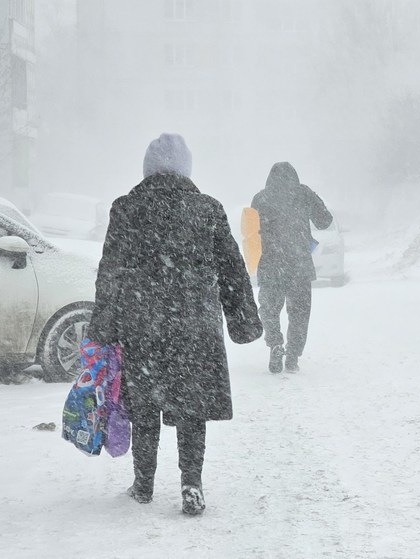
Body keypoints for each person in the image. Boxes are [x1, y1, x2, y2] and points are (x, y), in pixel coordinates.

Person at [87, 133, 262, 515]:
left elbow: (111, 272)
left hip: (143, 323)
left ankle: (144, 485)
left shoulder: (127, 208)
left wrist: (103, 326)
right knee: (191, 407)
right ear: (187, 169)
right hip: (194, 325)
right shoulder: (208, 209)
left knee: (146, 406)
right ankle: (191, 484)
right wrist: (243, 320)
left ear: (147, 169)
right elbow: (232, 269)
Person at [250, 162, 333, 373]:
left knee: (269, 310)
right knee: (300, 313)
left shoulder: (260, 198)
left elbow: (251, 233)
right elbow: (325, 220)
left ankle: (275, 344)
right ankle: (293, 356)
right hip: (299, 265)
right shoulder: (303, 193)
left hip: (270, 264)